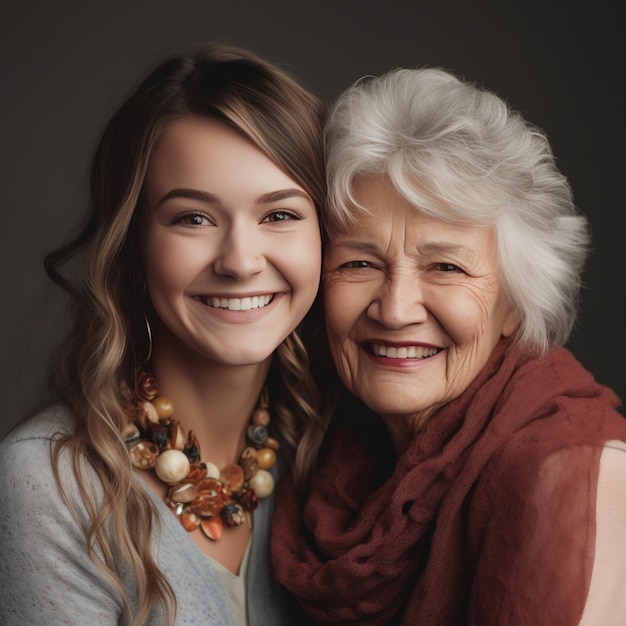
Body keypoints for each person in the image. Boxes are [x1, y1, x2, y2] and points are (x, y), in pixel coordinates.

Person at [271, 66, 626, 625]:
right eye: (360, 262)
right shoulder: (336, 454)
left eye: (446, 266)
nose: (395, 308)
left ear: (516, 303)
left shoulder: (559, 473)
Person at [0, 42, 328, 625]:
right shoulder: (49, 484)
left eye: (279, 214)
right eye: (193, 218)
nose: (240, 261)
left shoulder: (330, 451)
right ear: (132, 249)